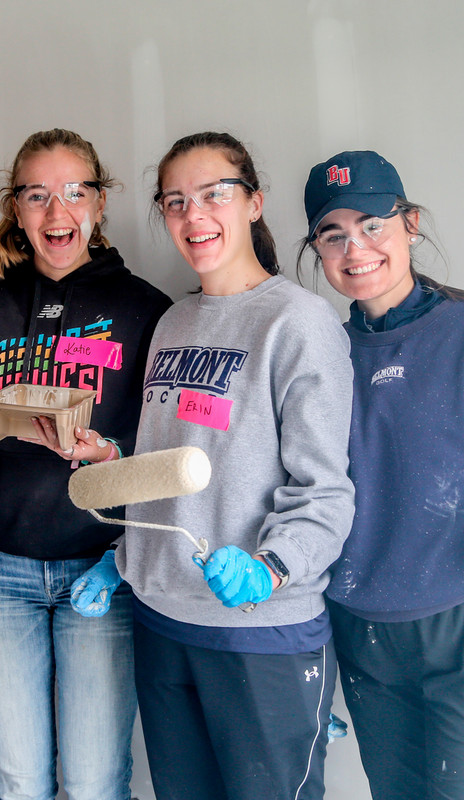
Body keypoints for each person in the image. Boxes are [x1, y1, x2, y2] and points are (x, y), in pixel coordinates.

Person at [89, 132, 355, 800]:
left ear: (254, 203)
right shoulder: (173, 323)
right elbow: (165, 466)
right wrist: (124, 554)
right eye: (175, 202)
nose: (193, 215)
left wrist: (270, 568)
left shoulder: (297, 322)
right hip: (161, 620)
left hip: (259, 635)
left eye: (214, 194)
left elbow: (326, 489)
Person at [0, 128, 171, 800]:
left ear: (101, 201)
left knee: (94, 782)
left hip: (102, 571)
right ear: (16, 209)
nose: (57, 212)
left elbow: (166, 459)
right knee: (19, 782)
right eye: (36, 196)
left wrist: (112, 458)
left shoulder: (147, 311)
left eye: (73, 192)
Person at [299, 150, 464, 800]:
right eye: (332, 233)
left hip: (451, 619)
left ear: (410, 224)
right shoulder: (324, 351)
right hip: (359, 625)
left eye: (371, 224)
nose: (355, 248)